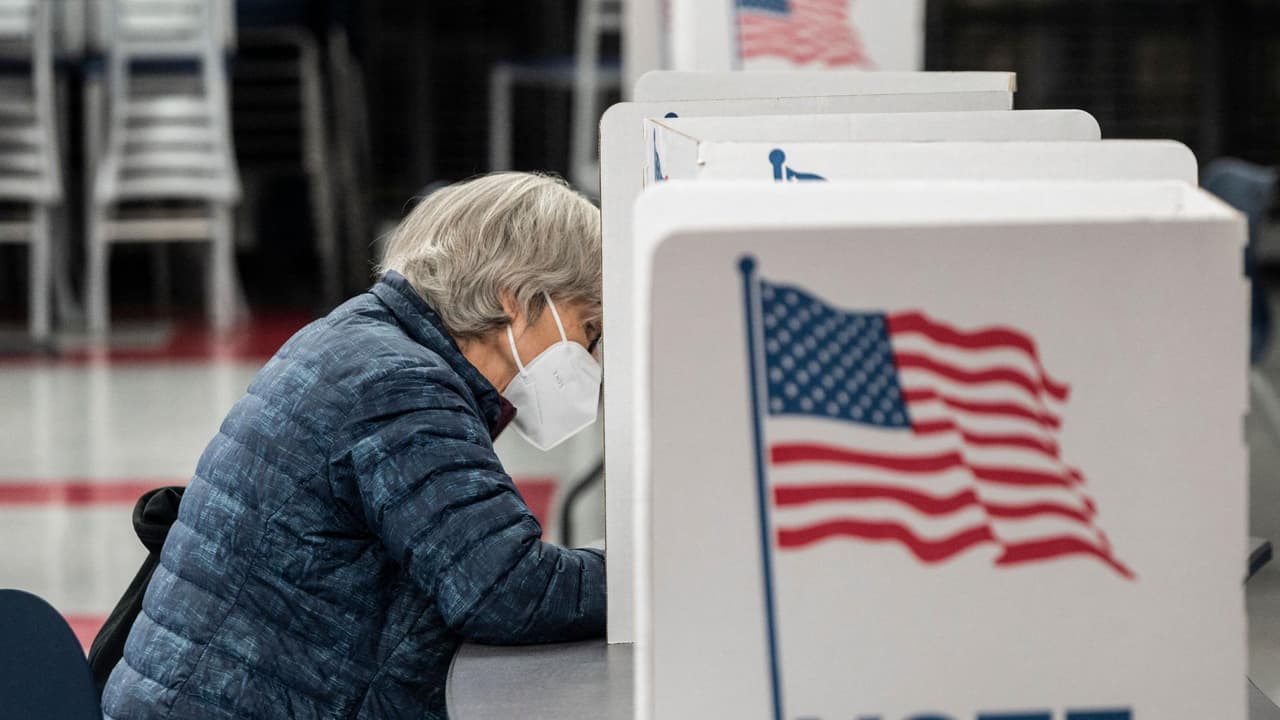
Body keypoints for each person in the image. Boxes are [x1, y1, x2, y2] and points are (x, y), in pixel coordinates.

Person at [101, 173, 607, 720]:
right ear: (516, 298)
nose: (592, 354)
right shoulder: (403, 386)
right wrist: (647, 570)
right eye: (588, 328)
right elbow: (508, 592)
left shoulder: (360, 340)